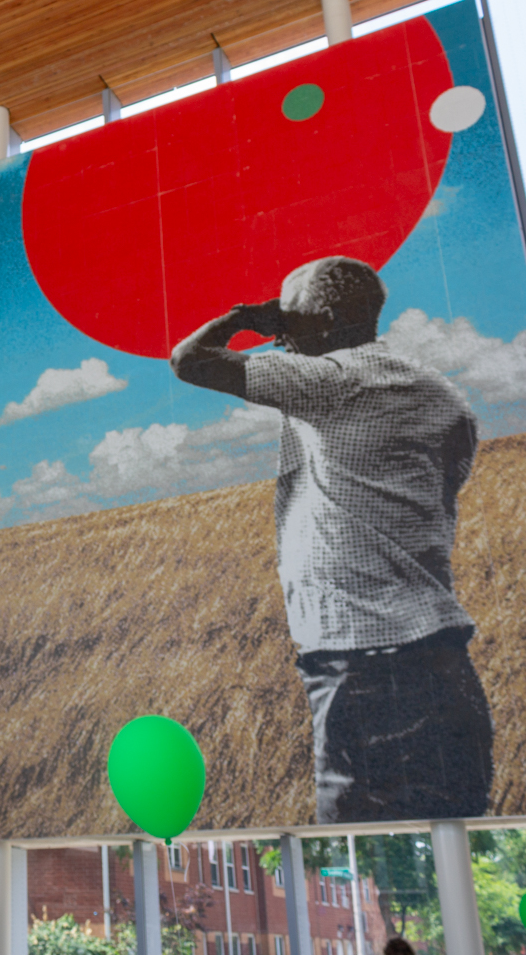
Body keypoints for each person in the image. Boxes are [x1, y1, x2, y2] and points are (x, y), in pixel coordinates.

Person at [169, 255, 493, 823]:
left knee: (354, 842)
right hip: (446, 658)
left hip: (359, 667)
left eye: (288, 318)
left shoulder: (329, 380)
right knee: (455, 826)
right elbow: (450, 484)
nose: (283, 335)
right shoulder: (444, 395)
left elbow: (189, 360)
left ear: (318, 317)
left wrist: (247, 317)